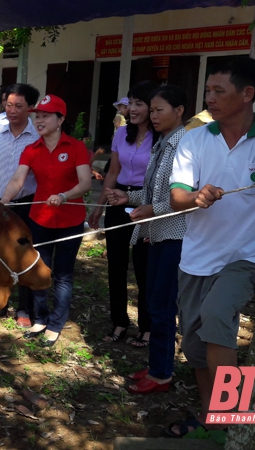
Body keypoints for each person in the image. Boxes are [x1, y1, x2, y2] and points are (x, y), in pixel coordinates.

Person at [166, 57, 255, 436]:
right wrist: (195, 196)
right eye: (207, 91)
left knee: (216, 315)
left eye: (219, 91)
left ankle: (232, 421)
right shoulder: (195, 138)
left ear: (247, 94)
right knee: (196, 346)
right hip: (198, 257)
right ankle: (211, 419)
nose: (209, 99)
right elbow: (177, 195)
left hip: (249, 254)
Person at [105, 85, 189, 394]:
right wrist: (128, 196)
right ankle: (157, 367)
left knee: (163, 307)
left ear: (179, 111)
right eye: (150, 110)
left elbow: (186, 198)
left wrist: (152, 208)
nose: (152, 115)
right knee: (155, 303)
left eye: (158, 110)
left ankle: (162, 374)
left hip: (173, 234)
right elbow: (153, 193)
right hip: (155, 232)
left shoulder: (185, 144)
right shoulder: (162, 143)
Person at [0, 94, 92, 346]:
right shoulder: (31, 149)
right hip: (39, 220)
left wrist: (64, 195)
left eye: (45, 116)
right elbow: (18, 180)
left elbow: (85, 183)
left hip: (70, 220)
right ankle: (39, 319)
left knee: (62, 274)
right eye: (37, 116)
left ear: (60, 119)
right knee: (40, 271)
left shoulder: (75, 147)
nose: (39, 120)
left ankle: (56, 323)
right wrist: (2, 202)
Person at [88, 80, 159, 348]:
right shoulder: (121, 134)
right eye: (131, 103)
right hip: (118, 200)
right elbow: (113, 172)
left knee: (143, 267)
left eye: (140, 103)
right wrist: (99, 206)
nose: (134, 108)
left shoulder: (162, 136)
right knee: (115, 265)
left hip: (145, 203)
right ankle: (119, 322)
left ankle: (147, 327)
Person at [0, 82, 41, 326]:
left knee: (23, 254)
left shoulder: (38, 139)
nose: (12, 110)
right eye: (9, 105)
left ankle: (24, 309)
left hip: (26, 203)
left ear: (31, 108)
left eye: (19, 106)